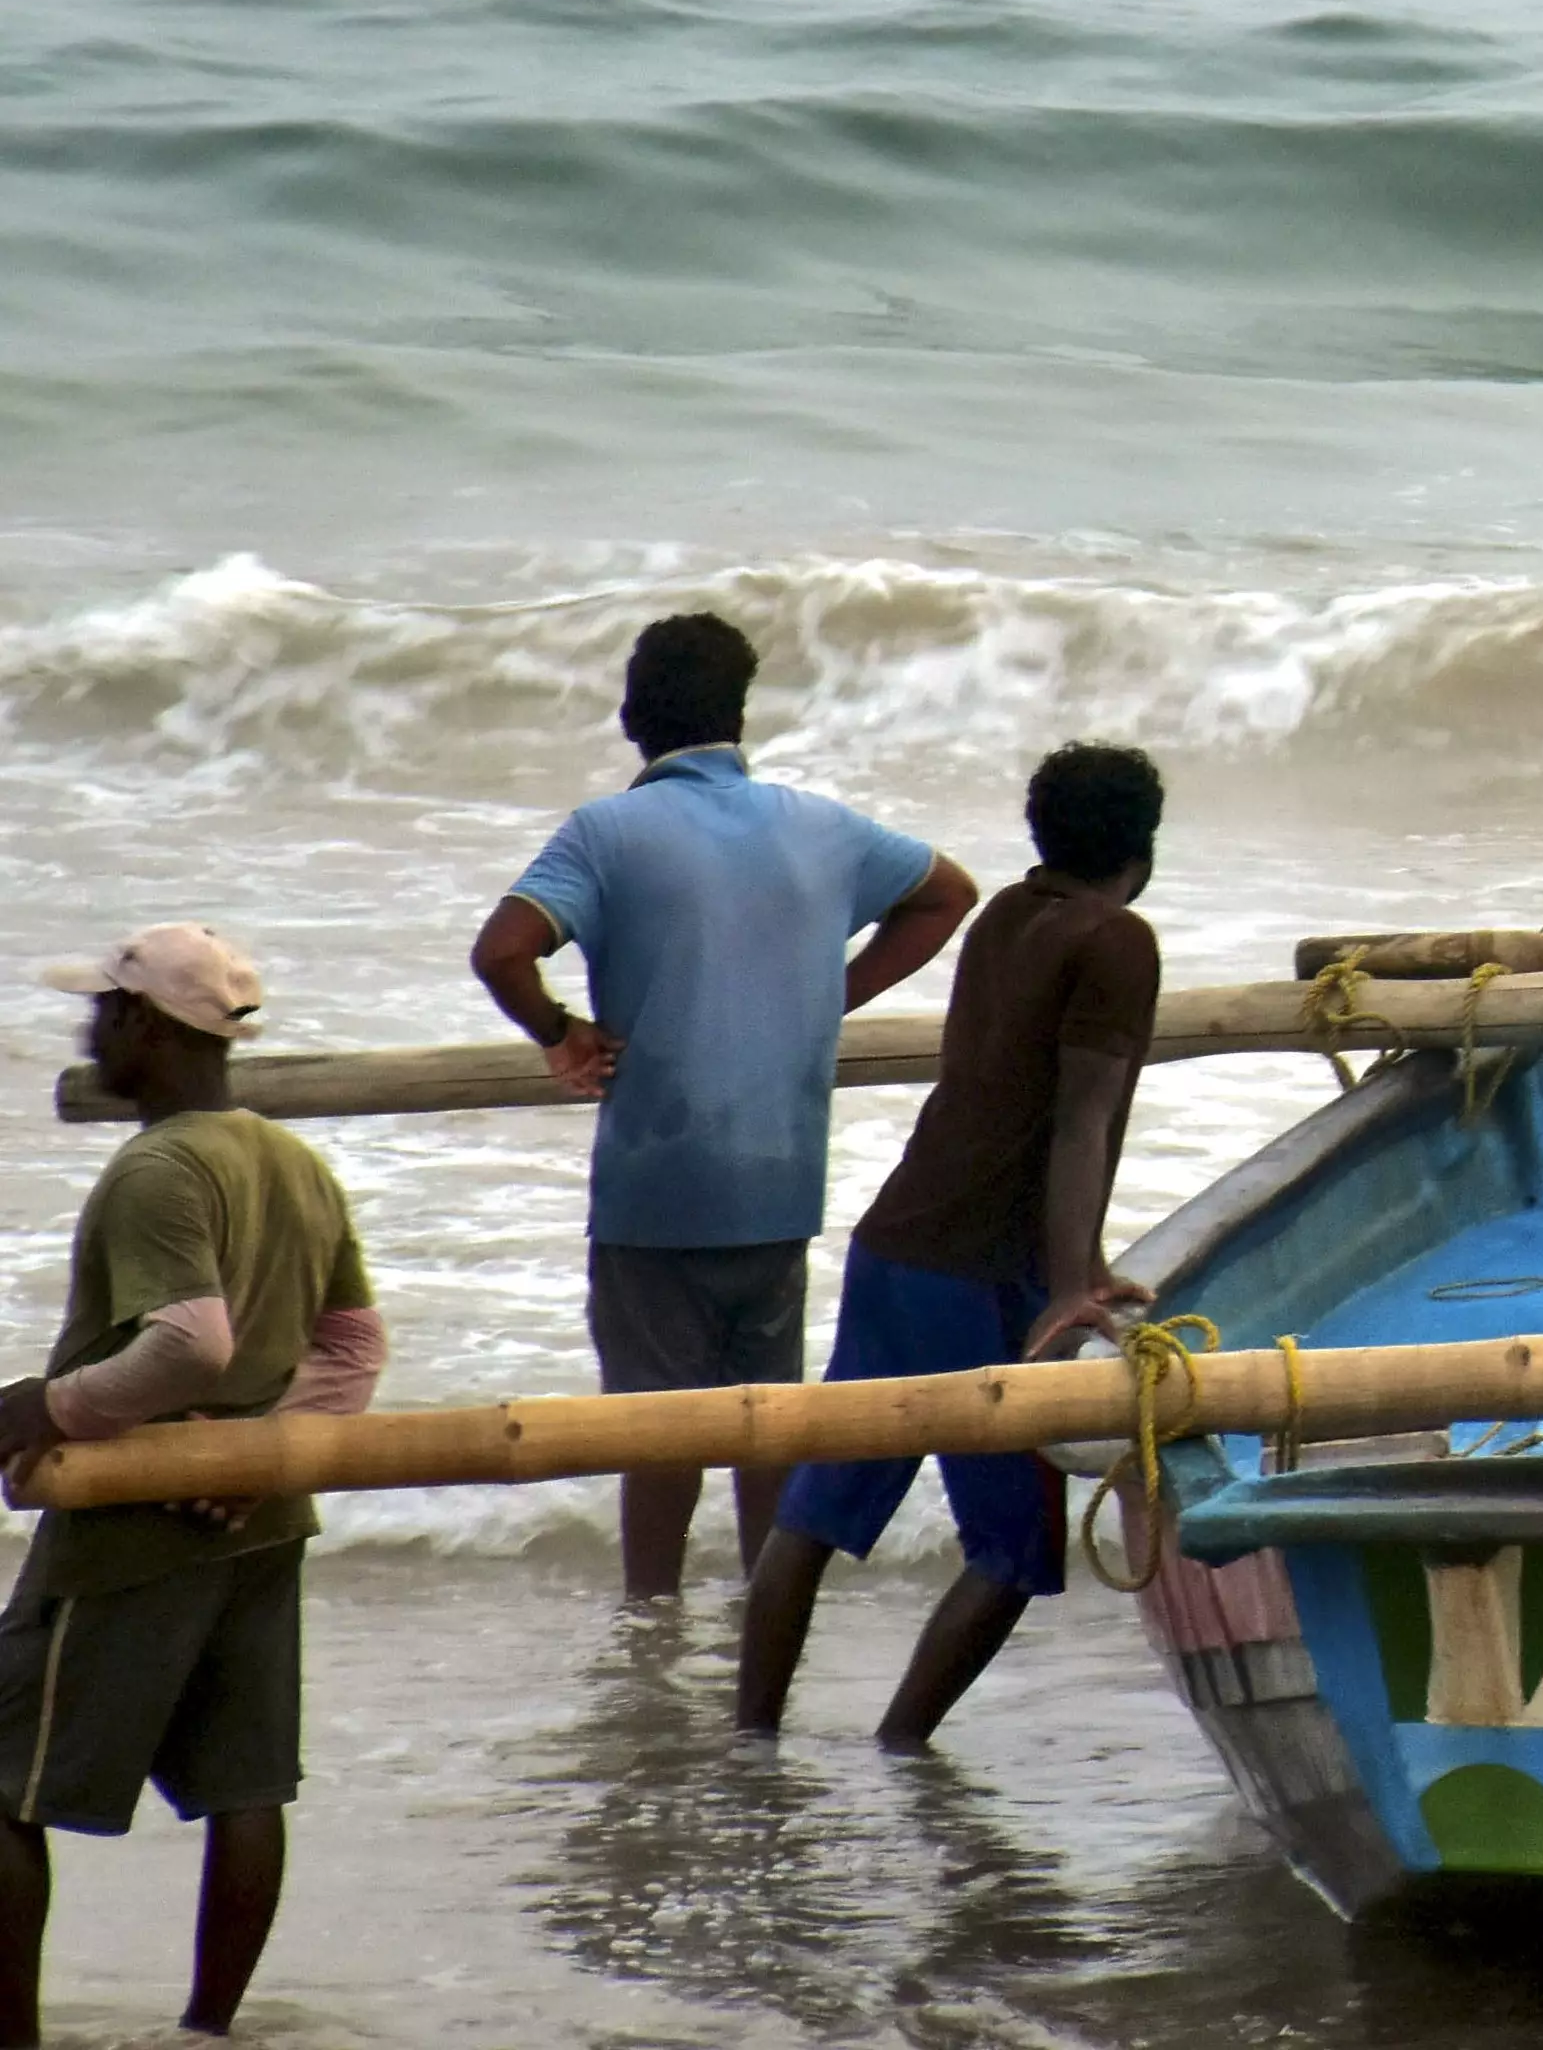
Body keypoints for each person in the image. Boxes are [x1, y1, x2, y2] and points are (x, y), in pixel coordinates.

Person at [471, 611, 977, 1599]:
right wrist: (832, 993)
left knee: (656, 1438)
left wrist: (560, 1034)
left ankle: (652, 1633)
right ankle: (767, 1630)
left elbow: (501, 951)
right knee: (764, 1426)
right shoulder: (823, 826)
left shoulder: (606, 833)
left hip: (657, 1189)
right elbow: (948, 893)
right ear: (739, 716)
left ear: (631, 718)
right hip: (778, 1181)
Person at [734, 744, 1167, 1747]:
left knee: (819, 1511)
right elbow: (1079, 1120)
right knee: (1016, 1546)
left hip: (896, 1248)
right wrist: (1073, 1289)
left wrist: (1075, 1269)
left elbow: (1010, 1101)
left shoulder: (1005, 918)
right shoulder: (1118, 942)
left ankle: (751, 1741)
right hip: (973, 1278)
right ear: (1143, 844)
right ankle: (901, 1747)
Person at [0, 928, 385, 2047]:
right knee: (242, 1785)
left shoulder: (160, 1166)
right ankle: (209, 2033)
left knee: (7, 1781)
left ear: (144, 1027)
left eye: (103, 1008)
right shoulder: (289, 1158)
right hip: (259, 1521)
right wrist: (265, 1453)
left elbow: (190, 1343)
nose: (88, 1027)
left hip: (134, 1525)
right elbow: (355, 1345)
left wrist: (53, 1407)